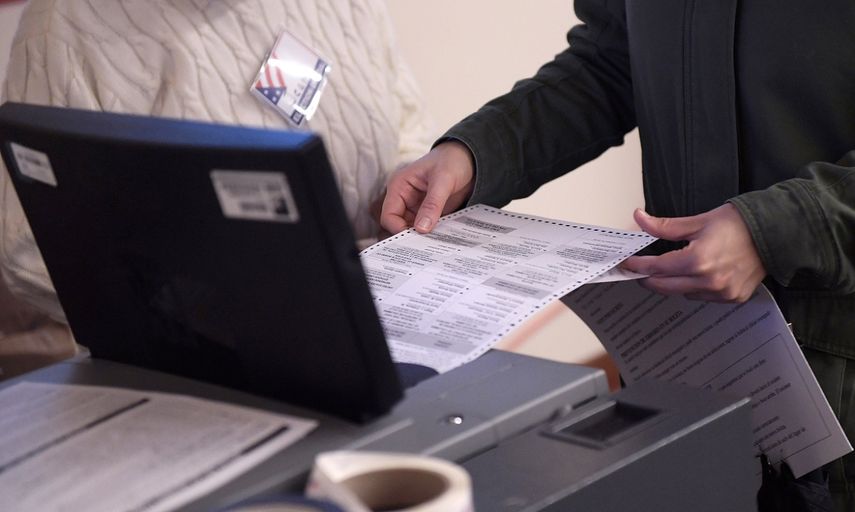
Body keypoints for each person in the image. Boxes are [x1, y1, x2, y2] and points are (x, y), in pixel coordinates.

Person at [380, 1, 855, 510]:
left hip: (838, 376)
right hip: (680, 359)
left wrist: (778, 229)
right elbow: (610, 61)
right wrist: (476, 153)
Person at [0, 0, 433, 370]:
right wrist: (200, 309)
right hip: (201, 372)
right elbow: (31, 247)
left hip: (387, 325)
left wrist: (404, 199)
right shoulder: (66, 24)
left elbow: (403, 122)